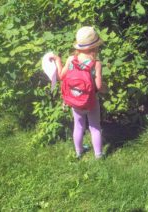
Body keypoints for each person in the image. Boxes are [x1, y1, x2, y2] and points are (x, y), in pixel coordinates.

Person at [51, 26, 104, 159]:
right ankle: (98, 155)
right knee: (94, 127)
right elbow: (98, 86)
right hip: (91, 101)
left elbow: (62, 77)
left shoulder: (70, 60)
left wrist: (58, 61)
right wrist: (105, 87)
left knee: (78, 126)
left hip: (75, 101)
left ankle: (79, 152)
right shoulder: (96, 63)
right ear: (95, 46)